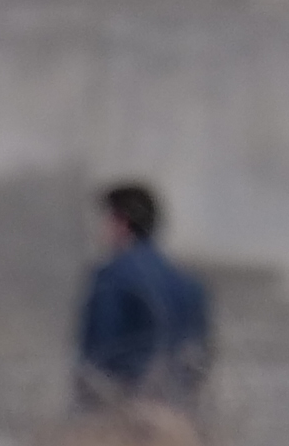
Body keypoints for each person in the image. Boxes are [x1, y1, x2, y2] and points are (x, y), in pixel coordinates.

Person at [72, 181, 211, 423]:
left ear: (121, 223)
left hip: (127, 416)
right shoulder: (189, 283)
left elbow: (98, 356)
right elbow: (200, 356)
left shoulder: (113, 277)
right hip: (177, 417)